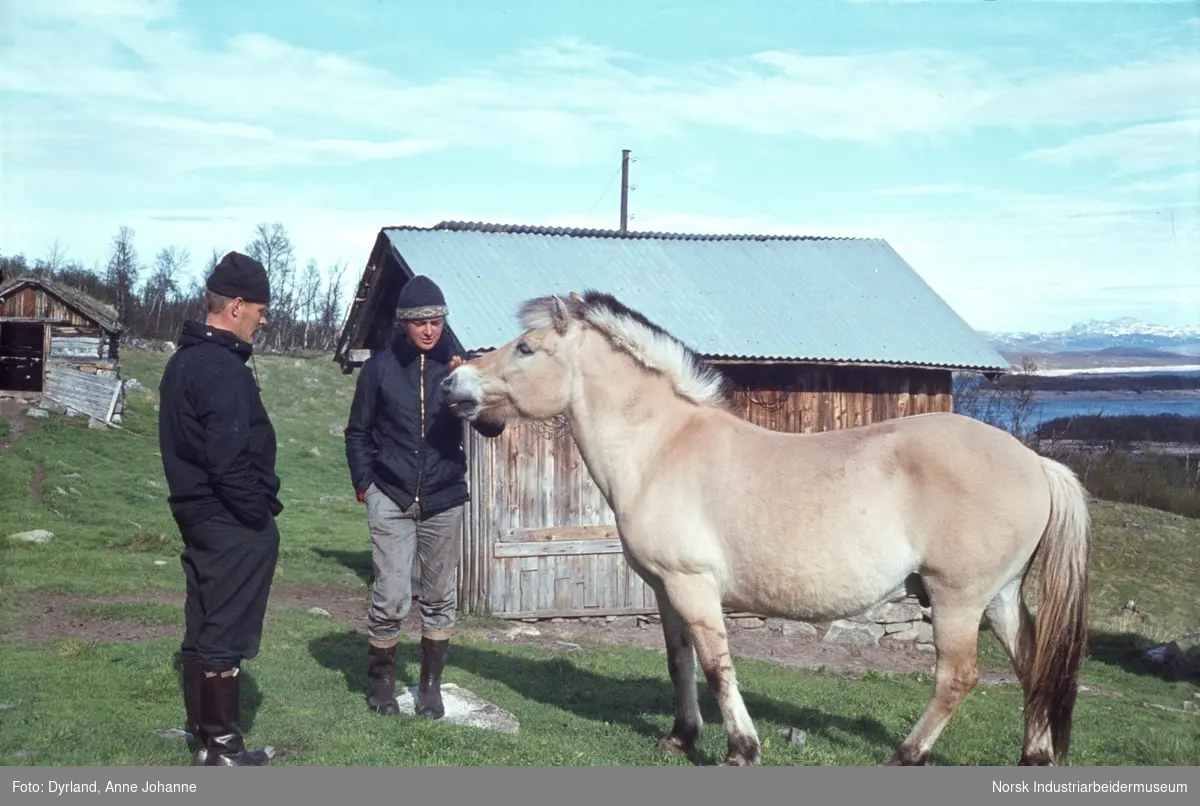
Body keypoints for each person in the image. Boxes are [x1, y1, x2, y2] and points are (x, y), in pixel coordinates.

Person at [344, 274, 505, 719]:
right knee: (392, 594)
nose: (430, 330)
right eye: (421, 323)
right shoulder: (379, 370)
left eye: (436, 321)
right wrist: (365, 484)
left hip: (444, 496)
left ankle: (430, 687)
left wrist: (468, 391)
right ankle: (381, 684)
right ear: (404, 324)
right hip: (390, 494)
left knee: (438, 594)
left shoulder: (457, 370)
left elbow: (494, 427)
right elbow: (358, 432)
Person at [158, 251, 281, 766]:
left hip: (195, 512)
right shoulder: (222, 368)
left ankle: (205, 742)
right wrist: (258, 515)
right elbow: (228, 459)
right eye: (259, 308)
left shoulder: (183, 361)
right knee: (224, 629)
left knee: (204, 620)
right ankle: (224, 750)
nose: (264, 317)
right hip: (229, 519)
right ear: (234, 305)